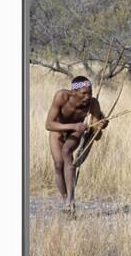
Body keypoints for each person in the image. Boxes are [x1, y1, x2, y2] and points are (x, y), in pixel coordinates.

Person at [45, 76, 108, 214]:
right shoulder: (61, 96)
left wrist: (100, 126)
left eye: (90, 93)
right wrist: (73, 125)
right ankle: (65, 200)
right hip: (58, 132)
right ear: (73, 91)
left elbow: (96, 137)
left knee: (67, 151)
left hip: (76, 132)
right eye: (84, 93)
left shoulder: (93, 104)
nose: (88, 96)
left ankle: (71, 200)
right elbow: (49, 124)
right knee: (58, 165)